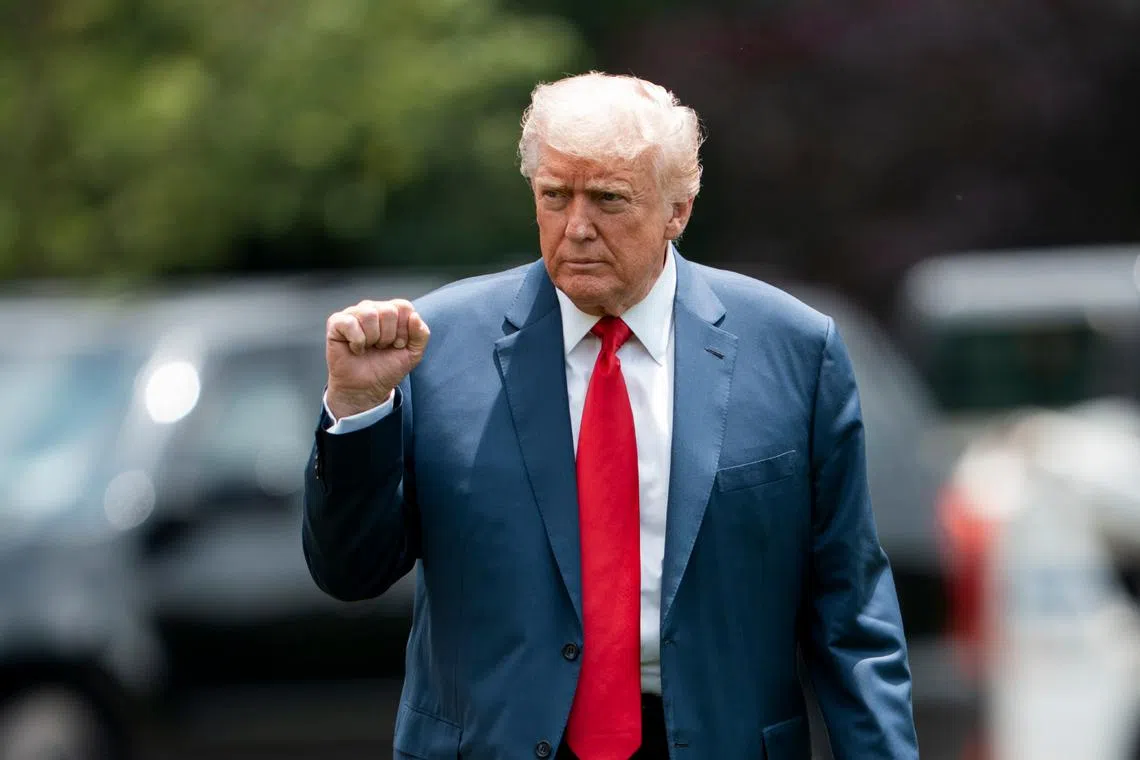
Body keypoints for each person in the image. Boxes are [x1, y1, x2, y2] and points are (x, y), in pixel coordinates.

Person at [303, 72, 918, 759]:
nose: (577, 228)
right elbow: (350, 574)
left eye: (608, 199)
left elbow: (851, 614)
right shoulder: (436, 345)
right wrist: (357, 410)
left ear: (678, 210)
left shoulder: (794, 350)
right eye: (554, 196)